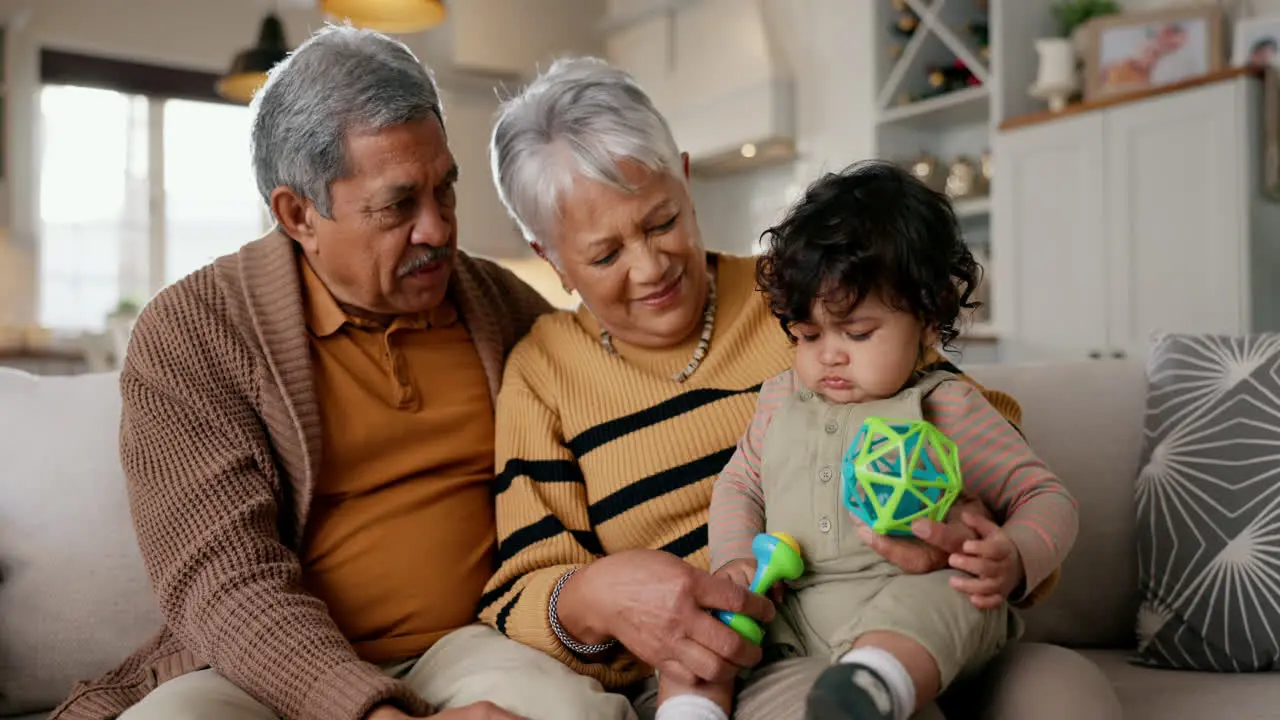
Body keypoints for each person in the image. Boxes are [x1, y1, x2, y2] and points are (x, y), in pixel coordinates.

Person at [478, 56, 1119, 720]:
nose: (650, 267)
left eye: (662, 221)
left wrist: (979, 529)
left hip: (923, 600)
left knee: (1068, 694)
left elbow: (964, 417)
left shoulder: (806, 292)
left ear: (687, 179)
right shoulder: (543, 374)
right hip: (752, 644)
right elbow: (522, 590)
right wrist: (597, 599)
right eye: (605, 255)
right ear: (550, 255)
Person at [51, 27, 634, 720]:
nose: (438, 230)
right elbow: (223, 583)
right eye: (397, 206)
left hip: (476, 642)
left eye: (444, 190)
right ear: (299, 214)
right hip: (256, 668)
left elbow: (620, 430)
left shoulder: (503, 308)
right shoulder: (193, 332)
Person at [649, 161, 1080, 720]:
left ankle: (876, 682)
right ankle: (689, 712)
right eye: (807, 335)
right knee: (698, 629)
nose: (829, 353)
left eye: (857, 333)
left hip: (905, 608)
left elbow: (1048, 498)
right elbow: (739, 487)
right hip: (791, 611)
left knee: (957, 592)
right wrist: (734, 559)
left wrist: (1015, 556)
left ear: (927, 321)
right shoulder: (778, 401)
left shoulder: (947, 406)